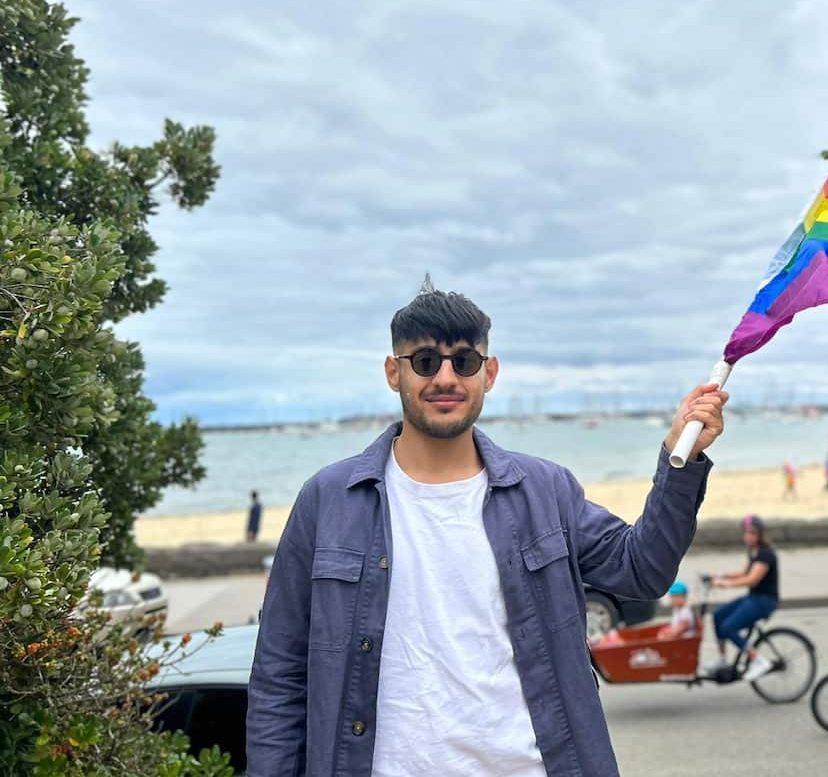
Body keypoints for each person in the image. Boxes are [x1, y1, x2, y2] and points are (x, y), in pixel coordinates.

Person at [246, 284, 728, 777]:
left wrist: (682, 456)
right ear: (394, 372)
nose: (446, 378)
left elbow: (642, 569)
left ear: (489, 373)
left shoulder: (545, 490)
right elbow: (279, 674)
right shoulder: (327, 501)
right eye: (425, 361)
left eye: (464, 361)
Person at [711, 514, 779, 682]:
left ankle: (759, 660)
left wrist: (725, 584)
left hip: (764, 601)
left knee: (728, 628)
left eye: (752, 532)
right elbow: (744, 572)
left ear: (760, 534)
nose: (748, 536)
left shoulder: (765, 554)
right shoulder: (753, 550)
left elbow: (751, 579)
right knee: (718, 616)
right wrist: (721, 575)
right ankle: (723, 660)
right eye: (746, 532)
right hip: (754, 597)